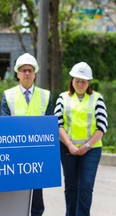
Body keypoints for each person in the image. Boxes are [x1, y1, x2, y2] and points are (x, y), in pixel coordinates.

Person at [0, 53, 53, 216]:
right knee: (16, 194)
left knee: (37, 197)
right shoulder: (8, 95)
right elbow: (5, 124)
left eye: (30, 70)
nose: (27, 73)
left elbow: (50, 125)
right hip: (16, 153)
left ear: (35, 73)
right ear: (17, 73)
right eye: (23, 70)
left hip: (37, 154)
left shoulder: (46, 95)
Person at [54, 62, 108, 216]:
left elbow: (102, 126)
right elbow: (58, 124)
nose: (80, 84)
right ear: (71, 80)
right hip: (67, 149)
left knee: (85, 186)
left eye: (83, 81)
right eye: (77, 80)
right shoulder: (63, 98)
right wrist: (70, 145)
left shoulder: (97, 98)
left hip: (91, 150)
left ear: (88, 82)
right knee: (71, 186)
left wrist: (87, 146)